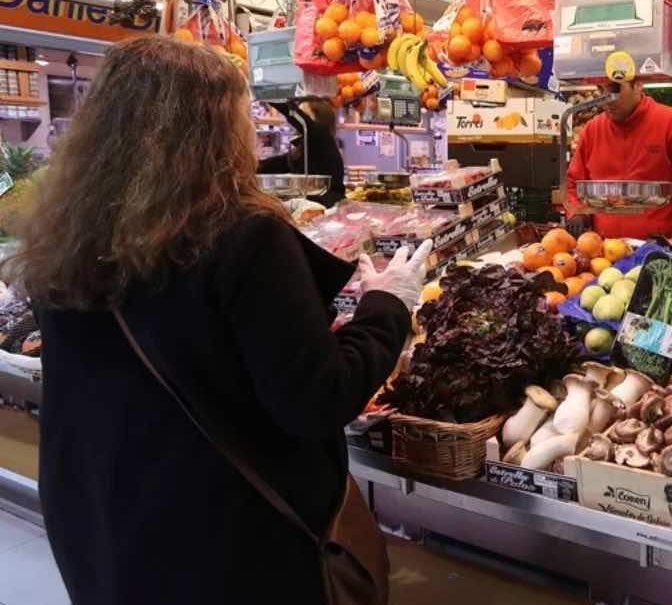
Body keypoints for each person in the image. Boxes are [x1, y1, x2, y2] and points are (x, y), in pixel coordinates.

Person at [5, 36, 430, 605]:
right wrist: (388, 305)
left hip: (103, 527)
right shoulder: (241, 236)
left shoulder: (65, 237)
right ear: (214, 128)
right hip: (226, 543)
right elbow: (314, 398)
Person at [566, 80, 672, 239]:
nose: (606, 98)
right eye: (600, 89)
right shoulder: (592, 130)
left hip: (662, 253)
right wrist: (577, 212)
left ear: (638, 85)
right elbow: (574, 182)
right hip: (604, 254)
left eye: (615, 89)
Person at [259, 96, 347, 207]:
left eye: (304, 115)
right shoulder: (299, 151)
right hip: (308, 210)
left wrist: (270, 94)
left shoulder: (323, 139)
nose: (296, 124)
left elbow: (297, 117)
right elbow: (272, 165)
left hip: (329, 211)